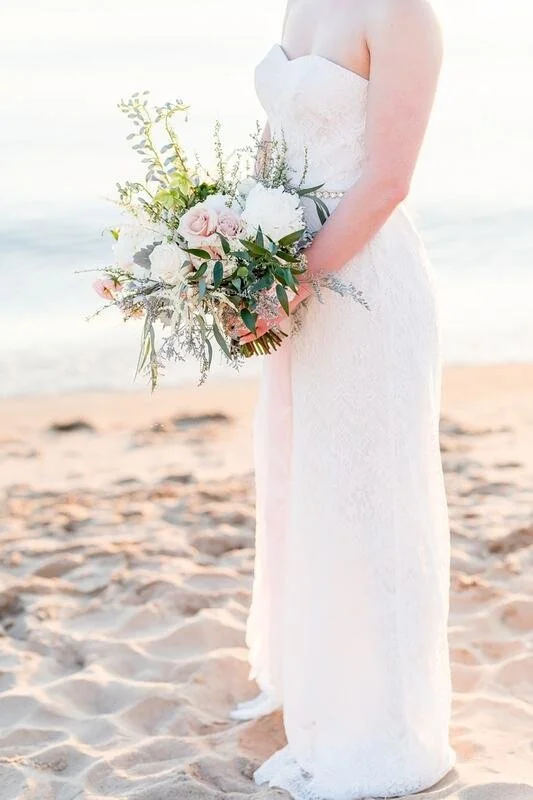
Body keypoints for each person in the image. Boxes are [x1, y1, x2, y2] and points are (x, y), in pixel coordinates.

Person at [232, 1, 457, 797]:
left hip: (361, 281)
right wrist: (238, 256)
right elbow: (277, 146)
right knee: (306, 480)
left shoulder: (403, 15)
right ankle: (322, 678)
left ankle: (382, 722)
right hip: (294, 271)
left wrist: (293, 280)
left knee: (369, 499)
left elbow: (388, 178)